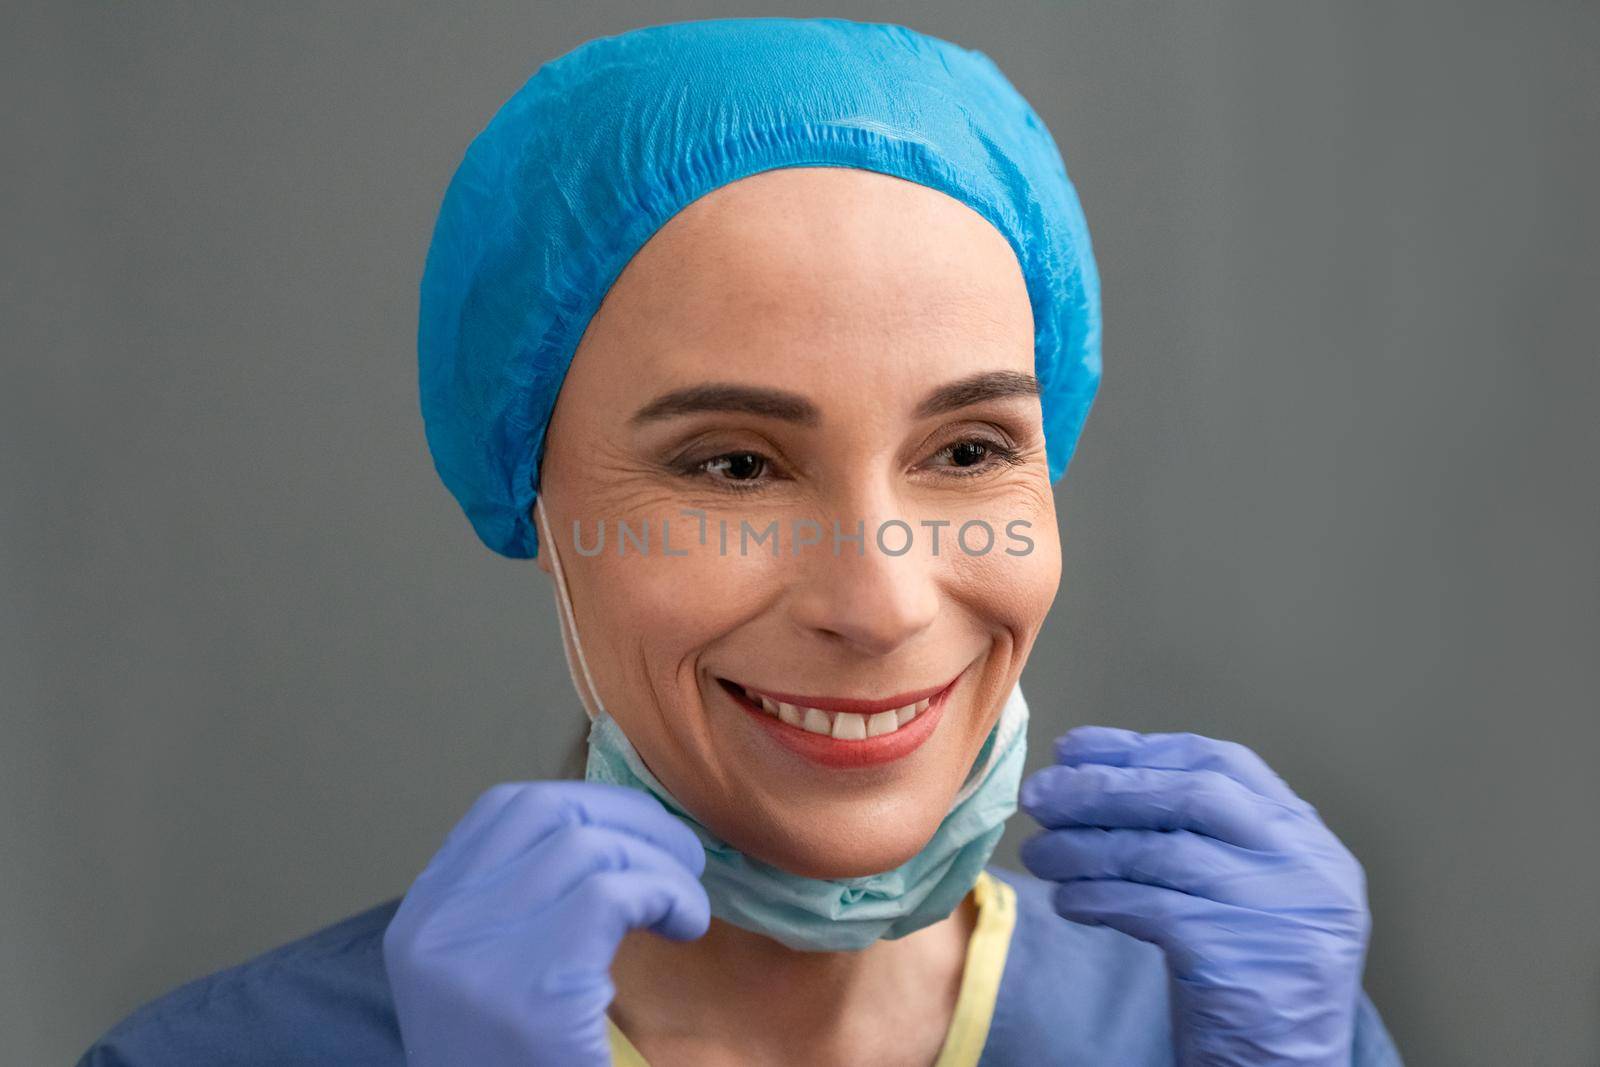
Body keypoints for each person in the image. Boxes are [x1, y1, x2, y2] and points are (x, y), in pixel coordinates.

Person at [79, 16, 1404, 1066]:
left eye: (966, 452)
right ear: (533, 502)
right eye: (732, 465)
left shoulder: (1218, 1030)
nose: (879, 607)